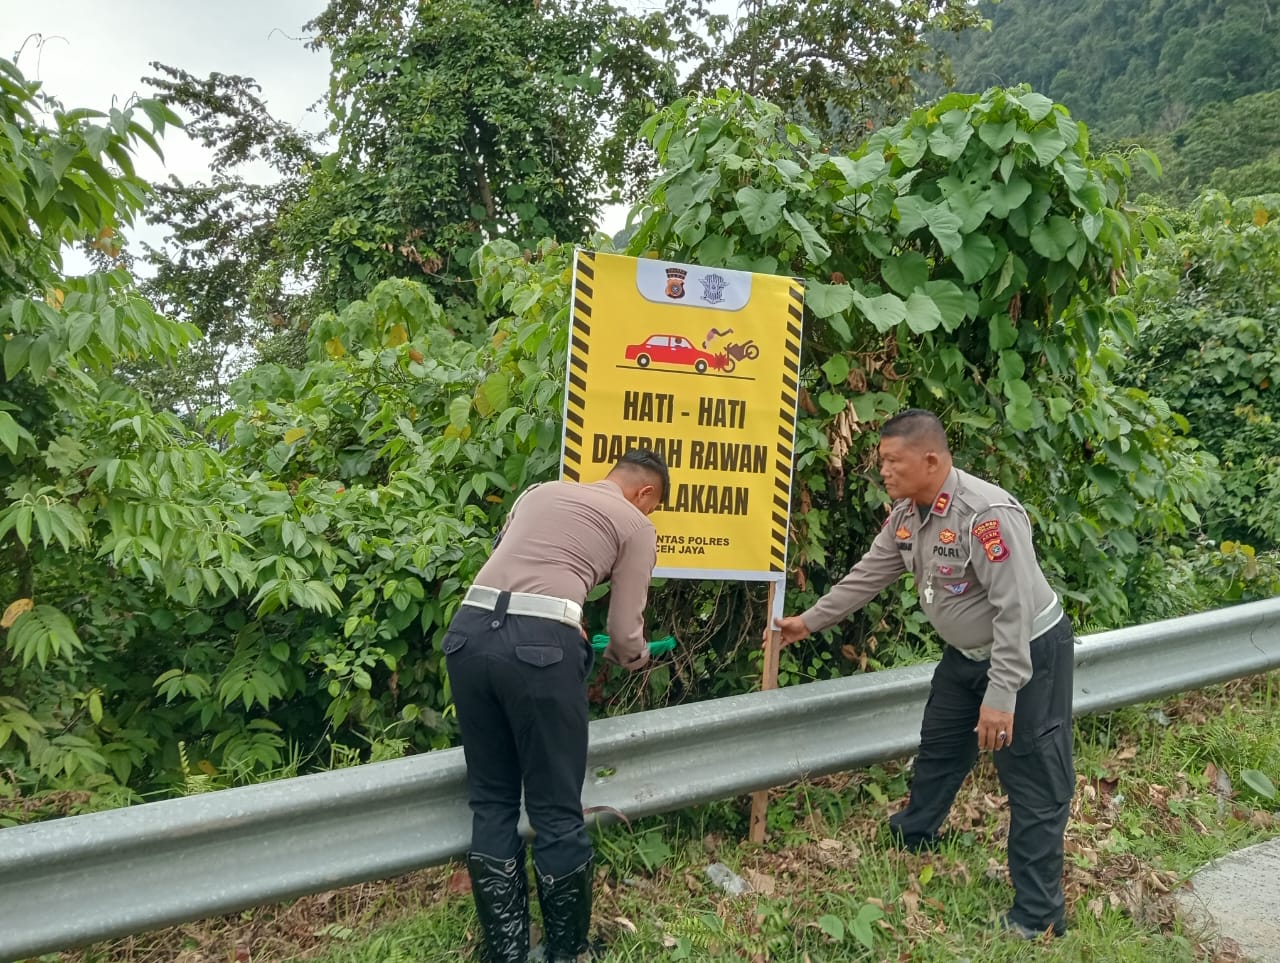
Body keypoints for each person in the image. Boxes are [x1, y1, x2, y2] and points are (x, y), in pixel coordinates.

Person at [773, 409, 1076, 939]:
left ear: (931, 459)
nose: (883, 471)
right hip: (966, 658)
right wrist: (810, 620)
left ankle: (1038, 914)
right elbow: (870, 573)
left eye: (893, 461)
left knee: (1033, 778)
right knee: (940, 745)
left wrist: (1003, 694)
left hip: (1025, 653)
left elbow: (1015, 611)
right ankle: (915, 835)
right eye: (881, 461)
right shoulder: (907, 515)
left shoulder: (986, 515)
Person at [444, 449, 667, 962]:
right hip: (540, 651)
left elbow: (513, 571)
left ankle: (507, 952)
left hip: (468, 634)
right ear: (646, 493)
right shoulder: (635, 522)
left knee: (493, 800)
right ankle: (568, 952)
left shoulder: (539, 492)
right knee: (556, 811)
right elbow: (624, 630)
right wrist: (627, 656)